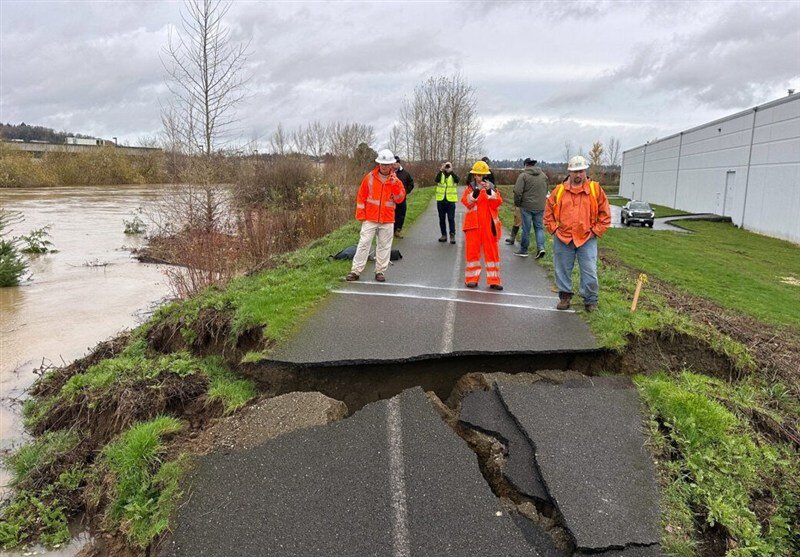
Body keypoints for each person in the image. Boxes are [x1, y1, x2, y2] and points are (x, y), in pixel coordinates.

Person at [544, 155, 611, 311]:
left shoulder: (595, 189)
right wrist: (553, 229)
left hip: (587, 238)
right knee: (561, 269)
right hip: (563, 238)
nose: (578, 175)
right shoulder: (559, 191)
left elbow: (605, 214)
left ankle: (590, 299)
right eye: (575, 172)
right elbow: (548, 213)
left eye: (581, 171)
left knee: (589, 270)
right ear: (569, 172)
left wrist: (595, 231)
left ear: (585, 171)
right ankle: (565, 297)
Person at [345, 149, 406, 283]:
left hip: (387, 218)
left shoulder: (396, 181)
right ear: (379, 164)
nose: (384, 167)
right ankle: (355, 271)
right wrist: (361, 214)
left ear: (392, 165)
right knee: (364, 244)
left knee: (384, 246)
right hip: (370, 218)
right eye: (382, 164)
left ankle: (380, 272)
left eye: (387, 164)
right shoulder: (369, 177)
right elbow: (361, 196)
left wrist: (395, 184)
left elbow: (400, 199)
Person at [462, 160, 503, 290]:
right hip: (473, 226)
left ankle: (494, 280)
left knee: (492, 254)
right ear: (474, 175)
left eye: (482, 175)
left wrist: (489, 191)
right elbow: (467, 202)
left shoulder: (493, 189)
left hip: (489, 226)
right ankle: (471, 279)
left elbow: (497, 203)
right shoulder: (469, 189)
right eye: (477, 175)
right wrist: (476, 192)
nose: (479, 178)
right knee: (472, 254)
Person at [513, 158, 549, 258]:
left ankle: (524, 250)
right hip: (540, 206)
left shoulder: (523, 175)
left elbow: (517, 191)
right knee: (539, 228)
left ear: (526, 165)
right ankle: (541, 248)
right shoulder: (543, 176)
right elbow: (546, 190)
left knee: (526, 229)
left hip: (526, 206)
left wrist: (518, 203)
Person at [434, 161, 459, 244]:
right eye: (446, 166)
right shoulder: (440, 174)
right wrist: (441, 170)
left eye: (448, 166)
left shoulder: (452, 175)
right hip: (441, 200)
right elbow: (436, 180)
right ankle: (443, 235)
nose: (447, 167)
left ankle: (452, 235)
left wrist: (451, 171)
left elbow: (457, 180)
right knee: (442, 219)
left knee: (451, 218)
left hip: (450, 200)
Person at [392, 156, 415, 238]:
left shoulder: (405, 173)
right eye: (393, 163)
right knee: (392, 215)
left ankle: (398, 230)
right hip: (391, 199)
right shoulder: (389, 173)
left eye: (396, 163)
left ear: (399, 163)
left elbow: (411, 183)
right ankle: (391, 230)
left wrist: (405, 192)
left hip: (402, 199)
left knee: (401, 214)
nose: (394, 164)